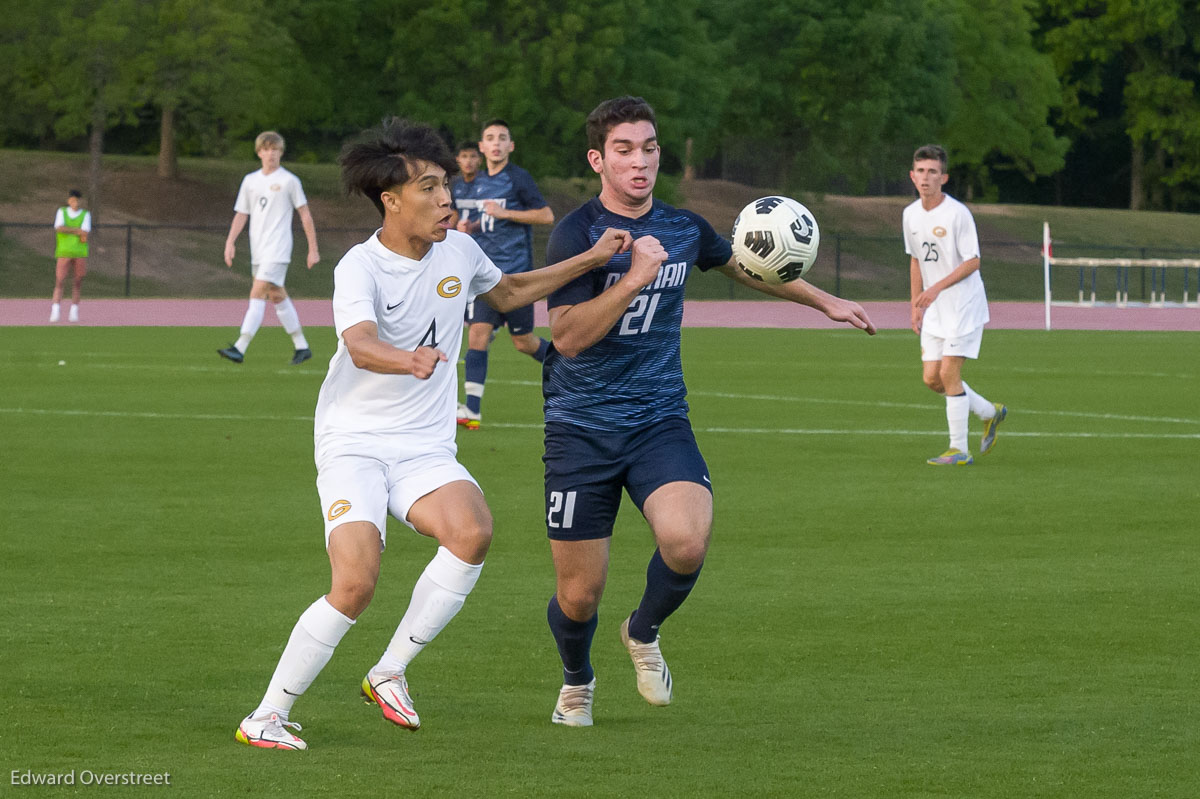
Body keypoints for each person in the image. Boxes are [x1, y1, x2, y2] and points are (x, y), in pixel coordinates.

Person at [234, 117, 630, 751]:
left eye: (445, 185)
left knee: (472, 530)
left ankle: (389, 672)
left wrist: (591, 257)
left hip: (423, 446)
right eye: (428, 187)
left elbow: (510, 293)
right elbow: (360, 346)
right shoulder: (359, 267)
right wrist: (407, 359)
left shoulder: (459, 250)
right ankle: (266, 715)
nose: (446, 199)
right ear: (391, 200)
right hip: (354, 442)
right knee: (356, 582)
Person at [540, 96, 876, 727]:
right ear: (598, 159)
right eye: (623, 150)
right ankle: (576, 680)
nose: (639, 162)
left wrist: (823, 299)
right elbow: (567, 337)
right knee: (579, 594)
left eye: (649, 147)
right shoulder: (577, 233)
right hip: (579, 428)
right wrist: (635, 276)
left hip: (658, 418)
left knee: (687, 541)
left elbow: (747, 266)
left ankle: (642, 632)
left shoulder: (683, 227)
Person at [904, 144, 1006, 466]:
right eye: (920, 171)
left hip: (963, 304)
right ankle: (989, 412)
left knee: (949, 372)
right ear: (912, 175)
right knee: (932, 379)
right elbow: (916, 260)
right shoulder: (910, 214)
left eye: (932, 171)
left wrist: (935, 289)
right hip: (935, 308)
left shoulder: (958, 214)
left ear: (943, 177)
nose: (925, 177)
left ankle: (958, 449)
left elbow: (973, 261)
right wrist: (915, 304)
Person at [453, 119, 556, 430]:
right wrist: (467, 226)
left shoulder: (518, 179)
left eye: (502, 138)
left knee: (523, 342)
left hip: (515, 278)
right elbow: (483, 223)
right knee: (477, 335)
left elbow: (546, 215)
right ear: (482, 147)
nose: (495, 143)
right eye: (489, 138)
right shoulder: (478, 182)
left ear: (511, 146)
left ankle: (575, 366)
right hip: (486, 277)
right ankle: (472, 411)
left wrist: (506, 213)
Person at [218, 131, 320, 366]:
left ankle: (240, 346)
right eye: (266, 149)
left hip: (278, 248)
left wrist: (312, 248)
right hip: (259, 249)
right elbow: (241, 214)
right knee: (275, 294)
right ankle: (302, 346)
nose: (271, 153)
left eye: (275, 149)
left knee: (257, 292)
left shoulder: (289, 181)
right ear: (259, 152)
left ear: (281, 152)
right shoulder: (250, 181)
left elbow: (304, 214)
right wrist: (230, 242)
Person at [49, 189, 90, 323]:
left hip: (79, 252)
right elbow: (59, 227)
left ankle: (74, 310)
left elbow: (84, 232)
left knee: (77, 282)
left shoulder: (85, 214)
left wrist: (71, 230)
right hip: (64, 251)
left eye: (77, 200)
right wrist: (76, 230)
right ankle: (55, 309)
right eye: (72, 200)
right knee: (60, 281)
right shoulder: (61, 212)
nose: (74, 202)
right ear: (69, 201)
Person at [449, 141, 481, 229]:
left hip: (482, 238)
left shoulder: (488, 183)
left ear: (480, 160)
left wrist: (472, 227)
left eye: (473, 156)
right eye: (464, 156)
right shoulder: (454, 184)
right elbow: (454, 212)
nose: (468, 161)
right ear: (457, 159)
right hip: (461, 236)